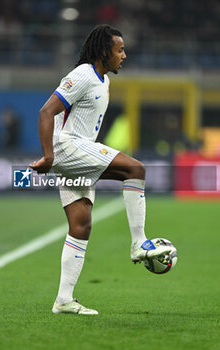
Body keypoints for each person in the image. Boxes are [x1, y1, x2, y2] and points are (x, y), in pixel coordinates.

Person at [30, 25, 172, 315]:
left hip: (75, 151)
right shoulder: (82, 74)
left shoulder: (103, 81)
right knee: (135, 169)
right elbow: (46, 112)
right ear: (104, 51)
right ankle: (138, 243)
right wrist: (48, 156)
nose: (124, 55)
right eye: (119, 50)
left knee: (81, 226)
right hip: (68, 147)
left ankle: (64, 300)